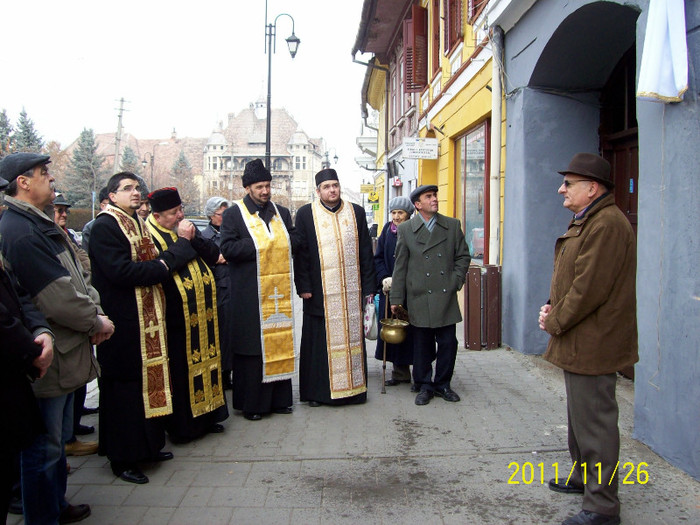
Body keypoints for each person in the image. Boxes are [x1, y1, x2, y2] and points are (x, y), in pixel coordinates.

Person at [0, 152, 114, 524]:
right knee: (43, 448)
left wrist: (94, 310)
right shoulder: (19, 229)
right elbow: (52, 295)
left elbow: (78, 277)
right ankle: (43, 516)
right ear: (23, 181)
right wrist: (94, 322)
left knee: (56, 444)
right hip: (48, 352)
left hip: (66, 347)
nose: (51, 179)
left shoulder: (40, 223)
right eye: (43, 173)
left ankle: (56, 505)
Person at [539, 153, 637, 525]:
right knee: (580, 418)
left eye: (569, 183)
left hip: (596, 341)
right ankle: (584, 477)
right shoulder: (588, 219)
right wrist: (551, 308)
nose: (561, 189)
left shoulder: (606, 224)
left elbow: (588, 288)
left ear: (592, 188)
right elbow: (570, 276)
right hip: (580, 338)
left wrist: (555, 321)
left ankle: (603, 505)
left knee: (595, 424)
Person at [88, 173, 191, 484]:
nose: (135, 193)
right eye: (127, 189)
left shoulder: (135, 222)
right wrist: (163, 266)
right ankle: (123, 458)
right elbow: (120, 271)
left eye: (137, 188)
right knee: (123, 391)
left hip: (145, 322)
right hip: (122, 322)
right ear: (111, 195)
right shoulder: (106, 225)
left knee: (146, 386)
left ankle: (147, 446)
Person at [146, 188, 228, 442]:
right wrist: (183, 241)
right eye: (173, 213)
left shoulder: (184, 228)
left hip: (202, 312)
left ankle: (208, 415)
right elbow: (162, 268)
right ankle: (185, 427)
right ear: (157, 216)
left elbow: (215, 256)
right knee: (182, 370)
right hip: (175, 316)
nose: (180, 215)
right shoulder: (149, 237)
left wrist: (192, 238)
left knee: (207, 361)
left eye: (181, 209)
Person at [220, 159, 297, 420]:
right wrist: (259, 245)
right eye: (259, 187)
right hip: (249, 293)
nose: (265, 191)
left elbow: (293, 239)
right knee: (252, 349)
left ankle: (280, 399)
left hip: (277, 290)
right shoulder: (234, 214)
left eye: (267, 186)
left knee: (277, 342)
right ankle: (252, 404)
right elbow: (227, 249)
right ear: (247, 188)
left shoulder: (281, 212)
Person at [293, 168, 376, 406]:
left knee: (352, 342)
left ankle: (354, 390)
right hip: (319, 292)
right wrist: (304, 286)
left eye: (335, 185)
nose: (332, 190)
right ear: (318, 191)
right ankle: (318, 394)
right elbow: (301, 254)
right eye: (327, 187)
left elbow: (365, 253)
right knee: (318, 343)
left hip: (351, 293)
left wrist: (369, 287)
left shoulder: (355, 211)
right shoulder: (306, 214)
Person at [0, 172, 54, 524]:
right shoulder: (17, 229)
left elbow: (17, 293)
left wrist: (39, 330)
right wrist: (31, 348)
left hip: (23, 353)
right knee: (37, 450)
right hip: (13, 363)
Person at [390, 184, 470, 406]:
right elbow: (400, 267)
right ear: (418, 204)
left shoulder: (452, 226)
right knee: (422, 345)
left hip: (445, 296)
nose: (435, 199)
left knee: (448, 343)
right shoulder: (406, 229)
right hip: (419, 296)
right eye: (429, 196)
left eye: (435, 195)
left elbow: (463, 256)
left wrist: (454, 281)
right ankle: (424, 385)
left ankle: (443, 384)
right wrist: (396, 299)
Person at [51, 192, 99, 453]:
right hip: (61, 325)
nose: (63, 214)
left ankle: (69, 433)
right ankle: (64, 440)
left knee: (76, 382)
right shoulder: (45, 237)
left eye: (65, 210)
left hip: (80, 316)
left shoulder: (66, 236)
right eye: (58, 210)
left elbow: (84, 264)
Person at [374, 196, 414, 386]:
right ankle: (399, 373)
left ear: (408, 214)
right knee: (392, 329)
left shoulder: (414, 231)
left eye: (400, 213)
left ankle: (418, 372)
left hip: (409, 291)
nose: (396, 217)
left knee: (408, 332)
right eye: (394, 213)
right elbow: (379, 257)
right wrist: (384, 277)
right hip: (388, 289)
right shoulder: (386, 231)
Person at [201, 196, 233, 389]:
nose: (226, 218)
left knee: (232, 333)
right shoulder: (204, 237)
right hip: (217, 290)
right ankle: (221, 374)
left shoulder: (233, 232)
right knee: (220, 334)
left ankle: (230, 371)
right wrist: (216, 259)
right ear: (212, 216)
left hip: (234, 287)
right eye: (222, 214)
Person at [80, 186, 110, 254]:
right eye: (111, 205)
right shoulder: (90, 228)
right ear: (102, 206)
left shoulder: (124, 224)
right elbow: (86, 255)